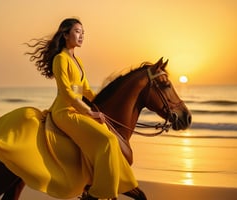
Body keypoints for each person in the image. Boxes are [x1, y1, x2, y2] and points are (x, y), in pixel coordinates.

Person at [25, 18, 146, 200]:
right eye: (77, 31)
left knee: (109, 136)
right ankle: (96, 194)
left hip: (77, 111)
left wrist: (102, 105)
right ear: (65, 35)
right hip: (64, 112)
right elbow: (67, 92)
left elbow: (85, 89)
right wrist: (89, 112)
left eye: (83, 33)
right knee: (107, 140)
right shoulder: (60, 59)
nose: (81, 36)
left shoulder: (78, 61)